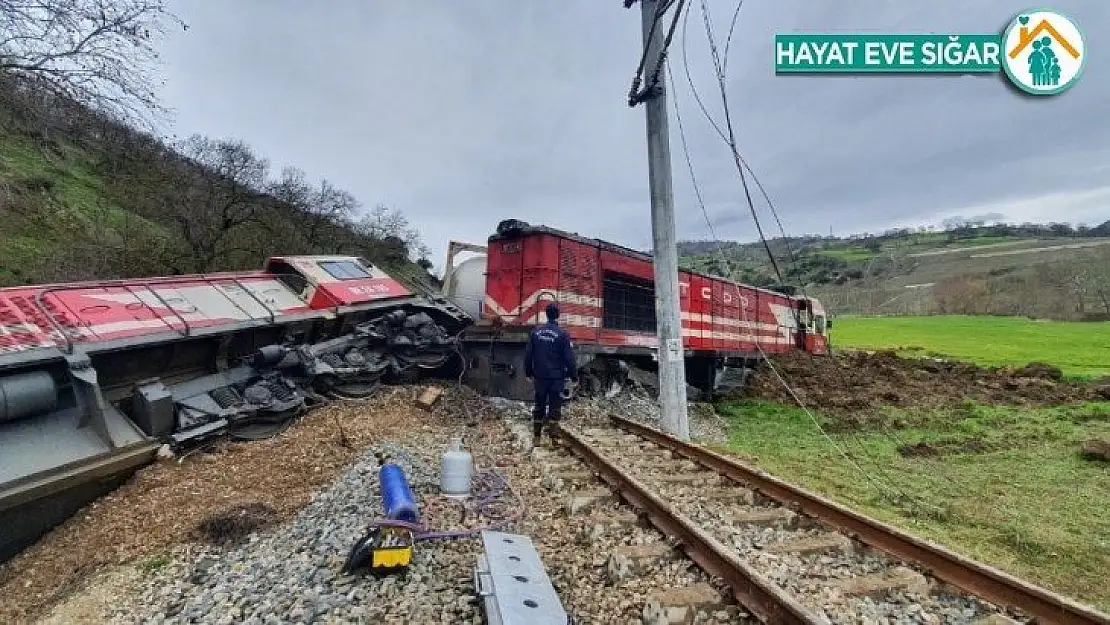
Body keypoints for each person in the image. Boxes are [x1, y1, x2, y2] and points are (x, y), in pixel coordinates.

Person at [523, 302, 577, 446]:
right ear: (557, 316)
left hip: (540, 377)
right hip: (556, 378)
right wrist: (574, 376)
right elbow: (569, 358)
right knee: (555, 406)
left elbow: (528, 355)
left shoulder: (535, 333)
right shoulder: (563, 335)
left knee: (539, 405)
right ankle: (553, 438)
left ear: (546, 315)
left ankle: (537, 438)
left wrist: (528, 373)